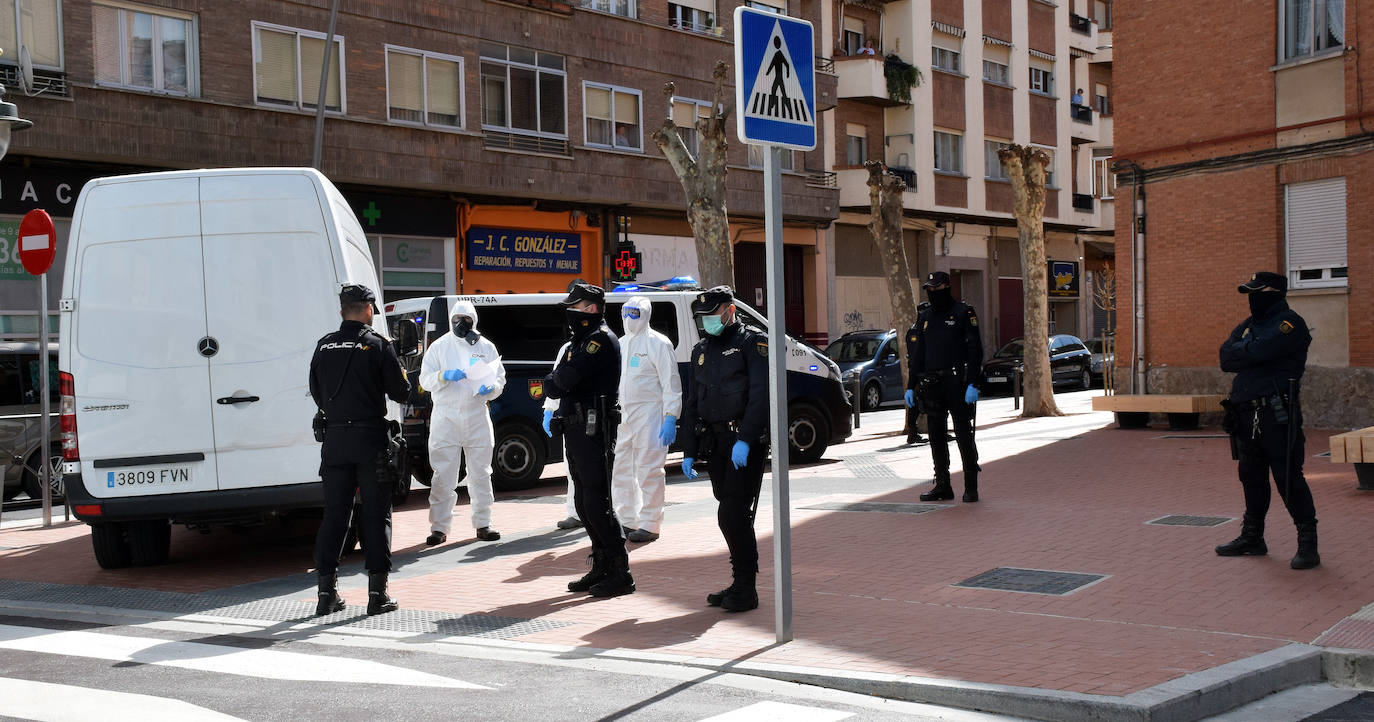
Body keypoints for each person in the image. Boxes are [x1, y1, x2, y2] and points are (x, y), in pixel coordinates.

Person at [309, 284, 410, 616]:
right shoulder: (377, 346)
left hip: (335, 441)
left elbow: (317, 392)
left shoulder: (324, 346)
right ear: (369, 309)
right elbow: (400, 392)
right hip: (369, 439)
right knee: (375, 515)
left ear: (341, 311)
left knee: (334, 516)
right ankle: (377, 595)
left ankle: (326, 594)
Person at [1215, 271, 1319, 569]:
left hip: (1276, 414)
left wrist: (1245, 351)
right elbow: (1226, 359)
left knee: (1288, 477)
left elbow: (1259, 350)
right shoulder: (1251, 324)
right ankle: (1252, 537)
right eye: (1249, 292)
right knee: (1251, 476)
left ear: (1274, 292)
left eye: (1256, 292)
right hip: (1246, 414)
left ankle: (1308, 544)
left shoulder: (1290, 324)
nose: (1252, 299)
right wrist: (1246, 352)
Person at [542, 282, 635, 597]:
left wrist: (557, 381)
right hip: (576, 428)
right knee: (583, 502)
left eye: (576, 306)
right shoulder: (576, 344)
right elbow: (555, 384)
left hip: (595, 428)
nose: (570, 312)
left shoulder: (599, 341)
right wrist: (557, 386)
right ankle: (601, 564)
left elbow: (561, 381)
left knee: (597, 501)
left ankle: (620, 570)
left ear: (592, 309)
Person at [680, 286, 769, 613]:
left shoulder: (752, 342)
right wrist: (688, 448)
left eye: (711, 314)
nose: (706, 321)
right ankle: (739, 581)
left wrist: (746, 438)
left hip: (741, 442)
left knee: (732, 513)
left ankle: (747, 587)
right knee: (731, 514)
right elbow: (692, 402)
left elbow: (760, 396)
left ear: (729, 310)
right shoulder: (700, 350)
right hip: (714, 443)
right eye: (701, 317)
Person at [420, 301, 506, 547]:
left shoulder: (486, 346)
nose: (462, 323)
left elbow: (499, 378)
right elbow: (425, 380)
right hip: (445, 418)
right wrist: (443, 376)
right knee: (443, 475)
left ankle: (483, 523)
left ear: (474, 320)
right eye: (457, 318)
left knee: (480, 474)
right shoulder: (438, 347)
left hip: (476, 415)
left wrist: (492, 388)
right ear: (450, 319)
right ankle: (439, 528)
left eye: (466, 319)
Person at [905, 271, 984, 503]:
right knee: (936, 437)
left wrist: (973, 383)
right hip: (932, 383)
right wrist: (911, 386)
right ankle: (942, 485)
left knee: (963, 434)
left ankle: (971, 486)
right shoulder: (925, 317)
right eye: (929, 289)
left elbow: (975, 350)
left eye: (936, 288)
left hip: (957, 382)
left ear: (947, 287)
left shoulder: (963, 312)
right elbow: (918, 354)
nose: (932, 293)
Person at [611, 296, 682, 543]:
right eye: (626, 312)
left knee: (649, 469)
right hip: (624, 415)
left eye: (635, 312)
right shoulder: (619, 344)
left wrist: (670, 416)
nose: (629, 318)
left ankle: (650, 523)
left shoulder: (659, 343)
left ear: (645, 314)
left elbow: (671, 383)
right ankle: (628, 520)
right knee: (621, 469)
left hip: (650, 414)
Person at [905, 301, 930, 446]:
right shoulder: (922, 329)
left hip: (916, 372)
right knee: (934, 401)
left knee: (914, 403)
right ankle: (913, 433)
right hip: (925, 371)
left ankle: (912, 432)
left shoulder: (912, 329)